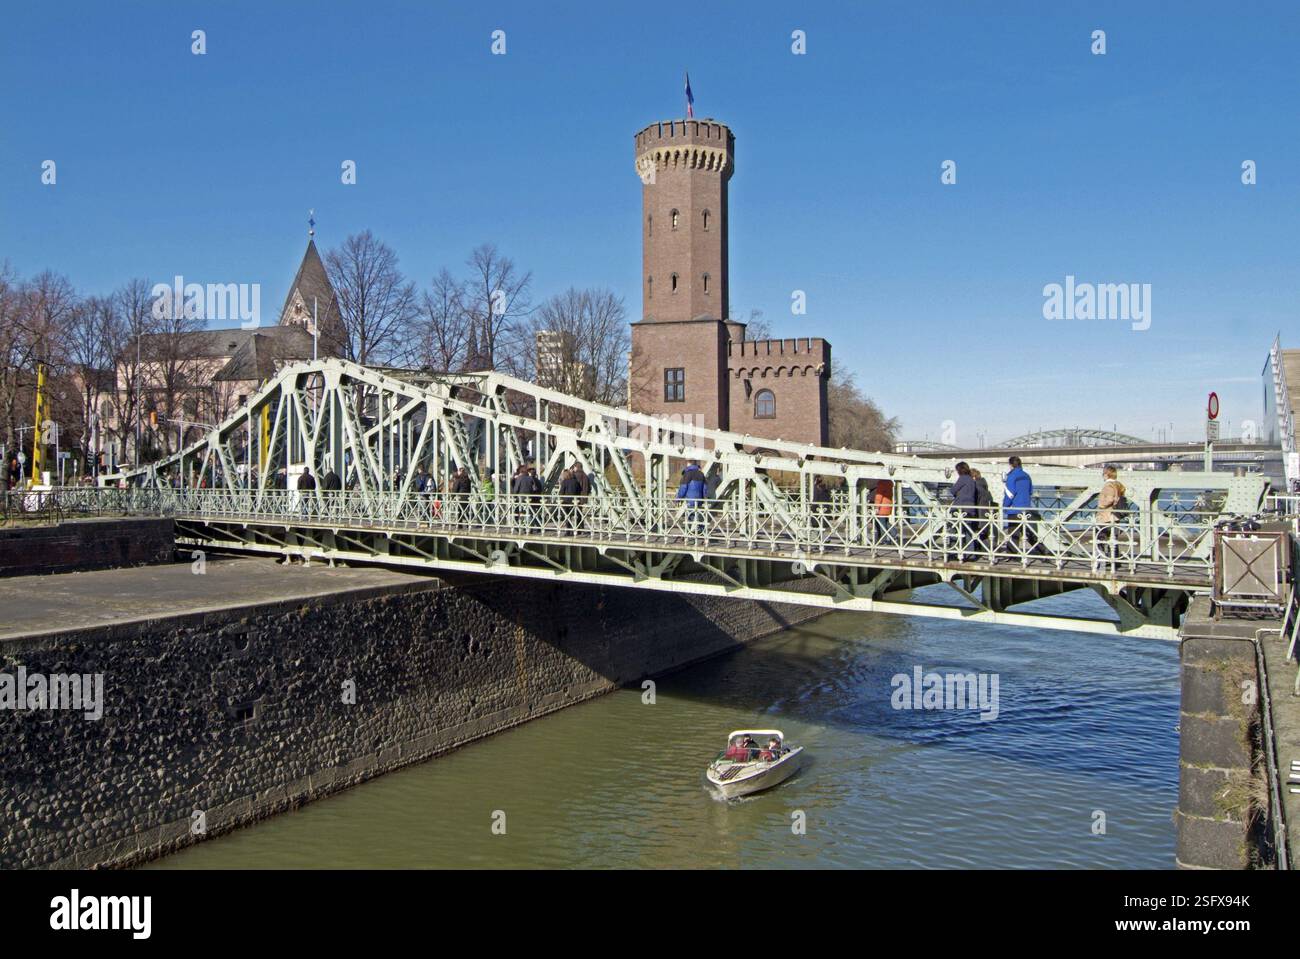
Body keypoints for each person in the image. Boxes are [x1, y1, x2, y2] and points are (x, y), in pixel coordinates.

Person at [1001, 455, 1037, 555]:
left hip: (1015, 508)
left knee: (1013, 532)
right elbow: (1030, 491)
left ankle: (1012, 554)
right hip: (1026, 508)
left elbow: (1010, 494)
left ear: (1011, 465)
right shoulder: (1026, 475)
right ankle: (1043, 550)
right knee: (1029, 532)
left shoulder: (1011, 476)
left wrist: (1005, 506)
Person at [1095, 465, 1127, 564]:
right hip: (1115, 516)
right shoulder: (1118, 484)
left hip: (1106, 516)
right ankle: (1114, 559)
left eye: (1103, 474)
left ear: (1106, 474)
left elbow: (1109, 499)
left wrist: (1101, 505)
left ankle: (1102, 560)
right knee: (1113, 538)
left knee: (1100, 537)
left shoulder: (1108, 485)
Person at [950, 461, 977, 560]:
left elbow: (953, 490)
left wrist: (957, 494)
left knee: (955, 530)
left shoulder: (962, 478)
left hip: (960, 508)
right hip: (970, 509)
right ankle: (971, 554)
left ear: (959, 470)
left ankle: (955, 552)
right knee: (969, 531)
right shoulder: (971, 480)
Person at [677, 460, 708, 534]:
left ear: (688, 464)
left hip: (690, 500)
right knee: (698, 515)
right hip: (699, 500)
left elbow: (683, 488)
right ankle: (700, 532)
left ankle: (688, 534)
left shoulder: (687, 474)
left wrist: (678, 498)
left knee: (689, 516)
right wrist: (704, 498)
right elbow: (705, 488)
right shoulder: (701, 474)